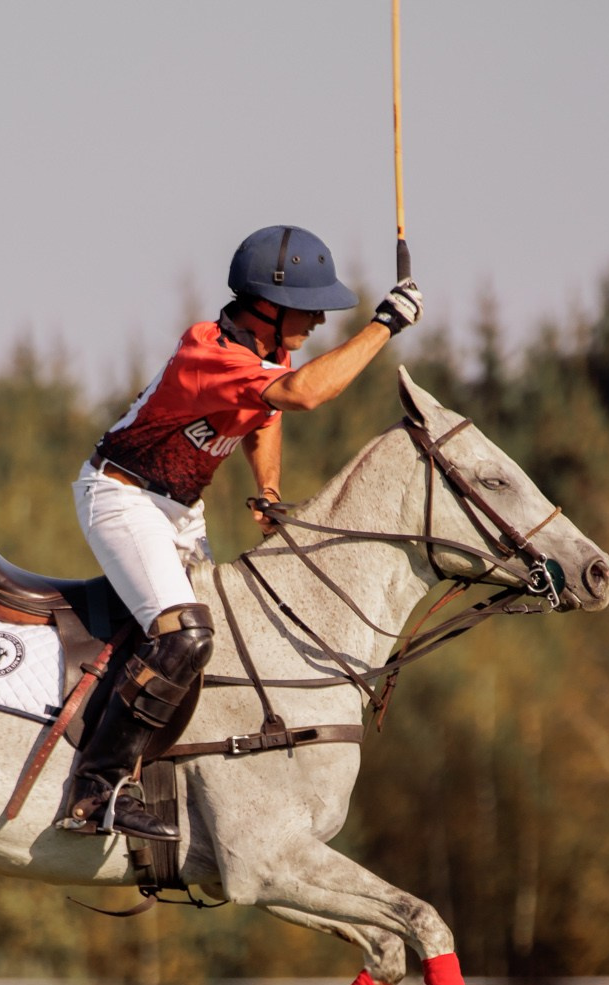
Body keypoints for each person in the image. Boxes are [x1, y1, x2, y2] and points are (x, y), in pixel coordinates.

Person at [60, 225, 423, 840]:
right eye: (309, 309)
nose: (319, 321)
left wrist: (269, 489)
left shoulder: (266, 355)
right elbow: (302, 396)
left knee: (221, 643)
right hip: (122, 497)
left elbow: (266, 415)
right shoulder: (209, 353)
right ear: (266, 305)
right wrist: (383, 325)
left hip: (179, 510)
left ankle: (185, 782)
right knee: (183, 635)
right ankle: (95, 792)